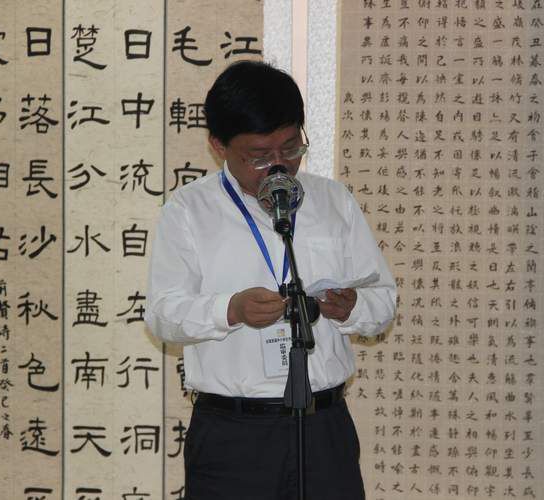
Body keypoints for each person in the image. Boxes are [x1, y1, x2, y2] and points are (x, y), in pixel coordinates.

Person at [144, 60, 396, 500]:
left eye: (291, 148)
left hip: (324, 428)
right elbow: (163, 315)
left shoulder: (333, 201)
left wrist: (353, 307)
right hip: (234, 437)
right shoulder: (187, 211)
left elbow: (383, 301)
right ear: (218, 146)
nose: (279, 165)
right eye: (259, 156)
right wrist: (229, 309)